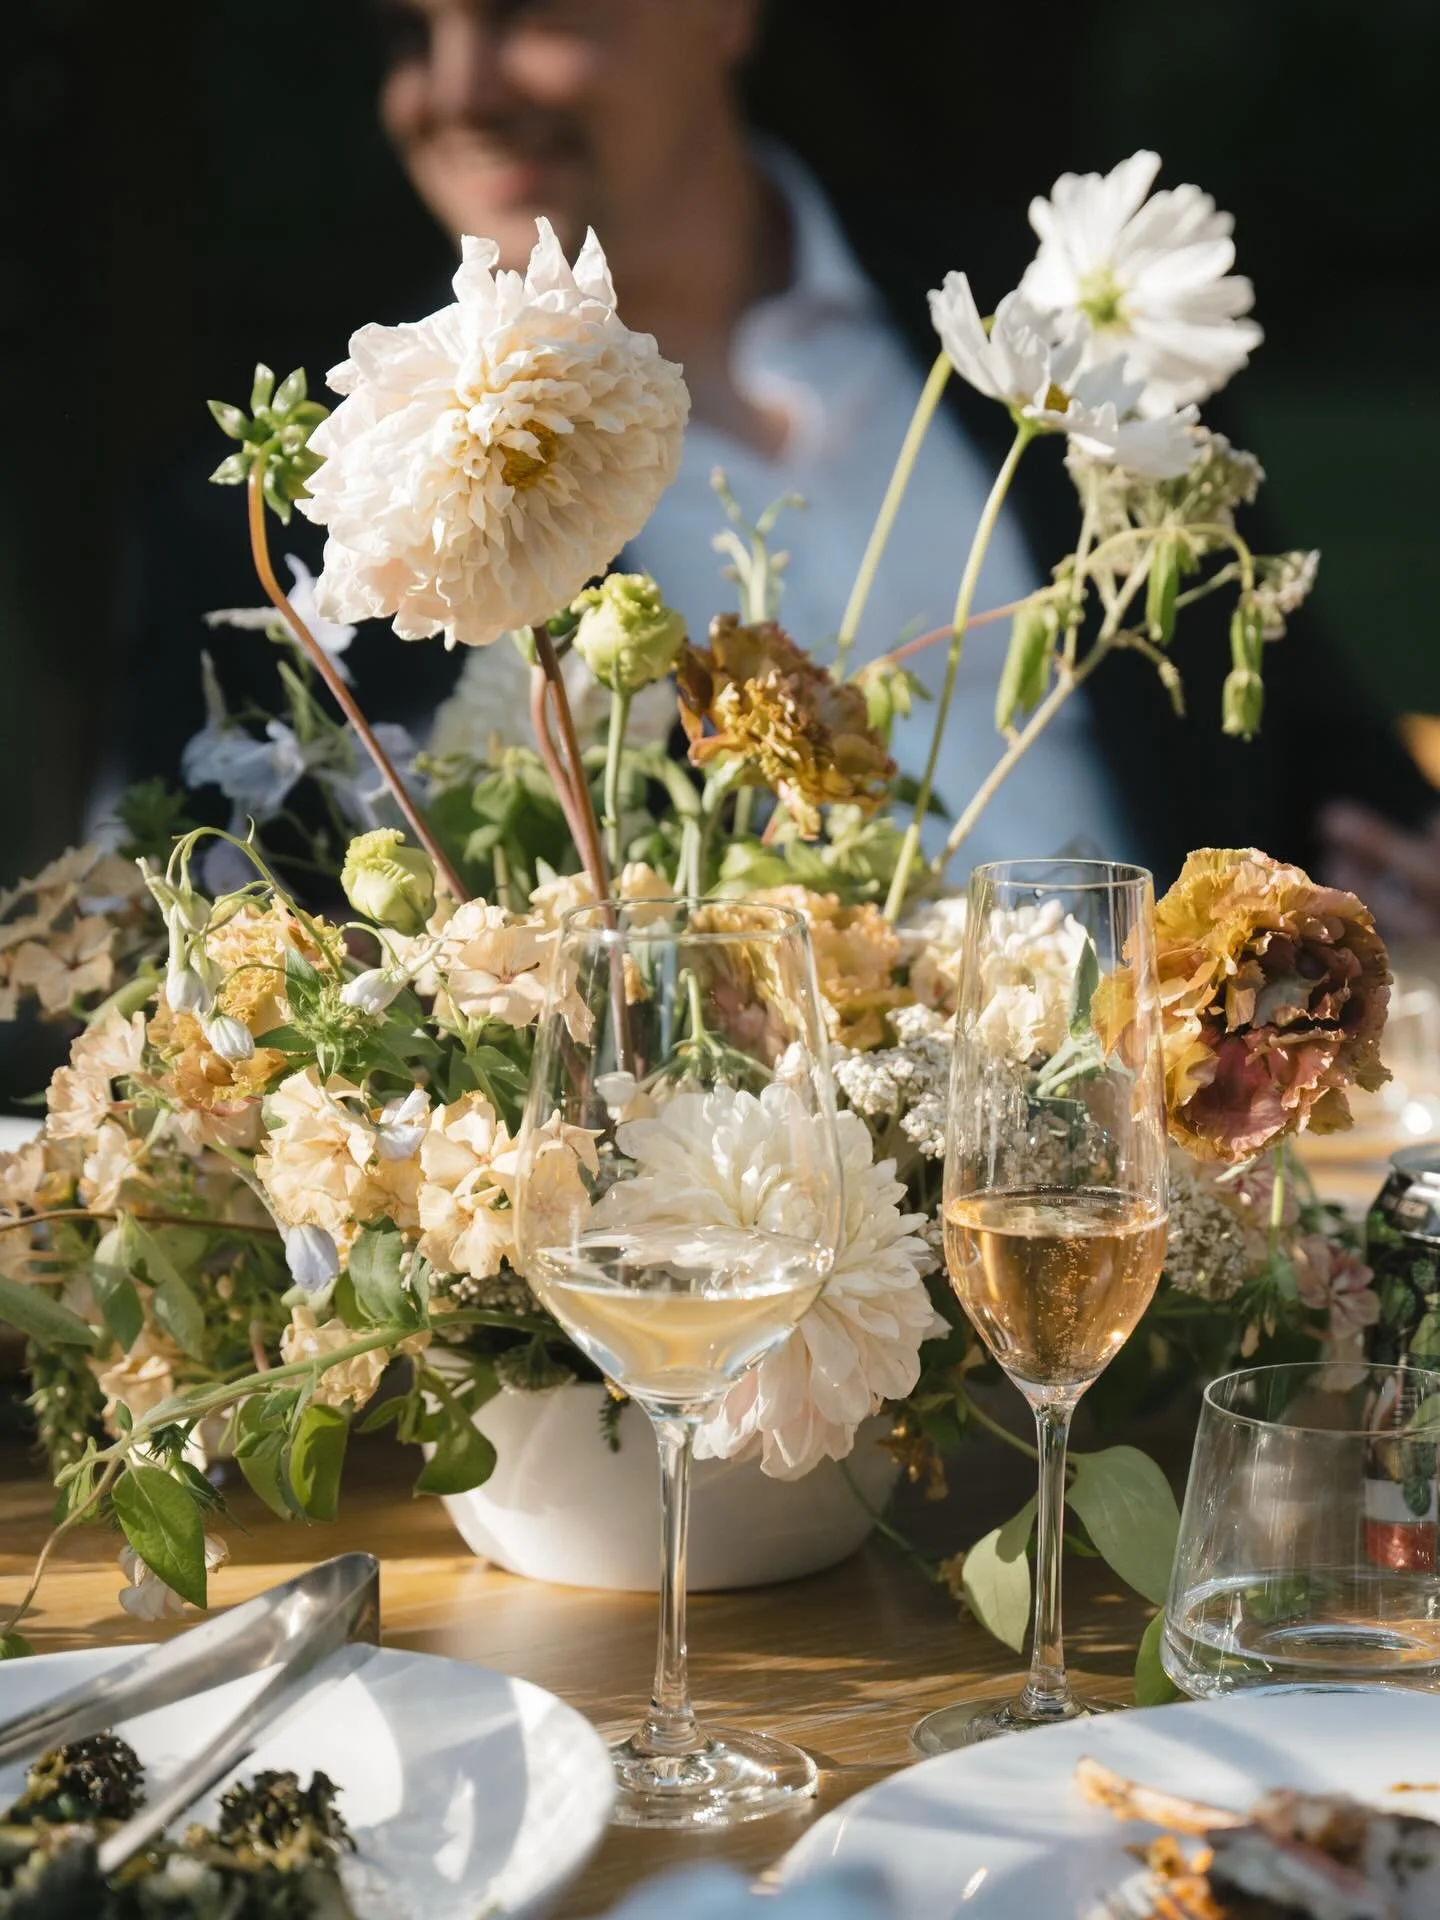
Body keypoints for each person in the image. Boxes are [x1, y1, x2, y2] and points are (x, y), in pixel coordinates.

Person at [368, 0, 1433, 888]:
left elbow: (1308, 755)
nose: (458, 93)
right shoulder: (377, 492)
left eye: (524, 14)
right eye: (408, 32)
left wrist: (1401, 882)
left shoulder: (1059, 314)